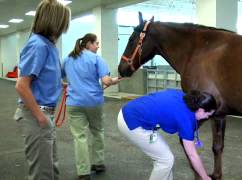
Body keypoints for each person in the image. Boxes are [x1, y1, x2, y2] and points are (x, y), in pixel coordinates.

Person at [14, 0, 71, 180]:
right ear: (54, 22)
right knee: (42, 173)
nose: (64, 28)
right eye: (62, 23)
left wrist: (57, 83)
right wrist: (40, 117)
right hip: (37, 114)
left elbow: (40, 76)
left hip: (46, 114)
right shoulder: (38, 45)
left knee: (51, 169)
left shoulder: (49, 46)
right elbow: (22, 85)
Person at [117, 89, 216, 180]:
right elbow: (192, 155)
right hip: (131, 122)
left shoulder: (183, 96)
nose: (206, 118)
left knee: (166, 159)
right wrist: (205, 177)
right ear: (201, 110)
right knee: (165, 160)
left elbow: (168, 112)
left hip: (129, 109)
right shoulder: (186, 120)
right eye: (208, 115)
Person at [62, 33, 121, 180]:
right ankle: (98, 163)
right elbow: (106, 81)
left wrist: (68, 85)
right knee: (97, 131)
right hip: (94, 102)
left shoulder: (67, 59)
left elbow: (57, 77)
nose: (98, 46)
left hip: (74, 103)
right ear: (88, 44)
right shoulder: (97, 59)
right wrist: (117, 79)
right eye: (96, 43)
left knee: (79, 137)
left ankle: (83, 172)